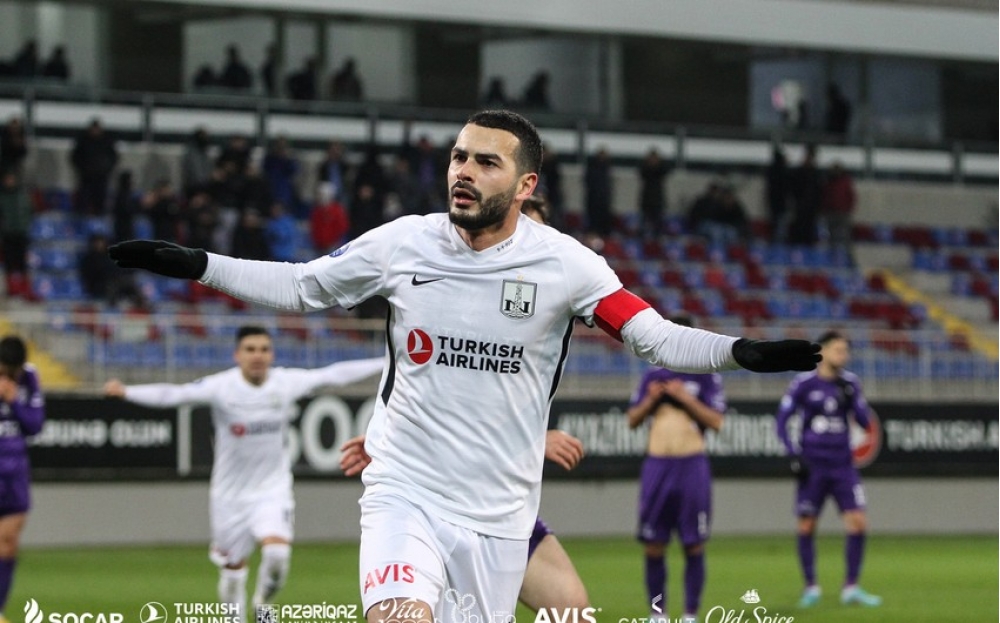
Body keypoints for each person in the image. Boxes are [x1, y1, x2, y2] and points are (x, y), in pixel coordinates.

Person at [108, 109, 820, 623]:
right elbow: (302, 286)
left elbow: (654, 338)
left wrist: (739, 352)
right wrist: (196, 264)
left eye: (485, 162)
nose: (464, 172)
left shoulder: (568, 266)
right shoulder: (404, 244)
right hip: (405, 490)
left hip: (501, 515)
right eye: (458, 157)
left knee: (568, 609)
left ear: (526, 184)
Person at [103, 326, 383, 617]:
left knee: (277, 554)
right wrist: (127, 392)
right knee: (233, 570)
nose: (257, 356)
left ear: (272, 354)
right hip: (229, 496)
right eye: (250, 349)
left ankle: (263, 604)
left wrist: (385, 361)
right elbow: (175, 394)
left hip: (272, 489)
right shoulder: (221, 387)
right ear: (237, 355)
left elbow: (332, 375)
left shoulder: (285, 383)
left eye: (264, 349)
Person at [340, 429, 590, 611]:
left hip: (500, 512)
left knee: (574, 611)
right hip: (426, 506)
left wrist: (531, 437)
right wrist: (388, 441)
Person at [626, 315, 726, 623]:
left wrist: (685, 398)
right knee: (653, 545)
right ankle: (658, 613)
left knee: (693, 543)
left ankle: (690, 614)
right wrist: (651, 401)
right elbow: (632, 420)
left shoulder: (705, 375)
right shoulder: (653, 376)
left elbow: (716, 421)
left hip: (691, 466)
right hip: (657, 466)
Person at [775, 330, 881, 609]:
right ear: (822, 351)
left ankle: (851, 587)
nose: (843, 356)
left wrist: (853, 398)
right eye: (838, 350)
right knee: (807, 524)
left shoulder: (850, 383)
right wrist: (793, 455)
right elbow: (781, 420)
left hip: (843, 464)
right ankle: (811, 587)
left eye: (846, 351)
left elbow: (864, 422)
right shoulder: (804, 384)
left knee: (858, 522)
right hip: (813, 465)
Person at [0, 335, 45, 623]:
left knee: (8, 543)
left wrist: (14, 401)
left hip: (14, 472)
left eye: (12, 372)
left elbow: (35, 425)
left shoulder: (29, 378)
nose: (9, 376)